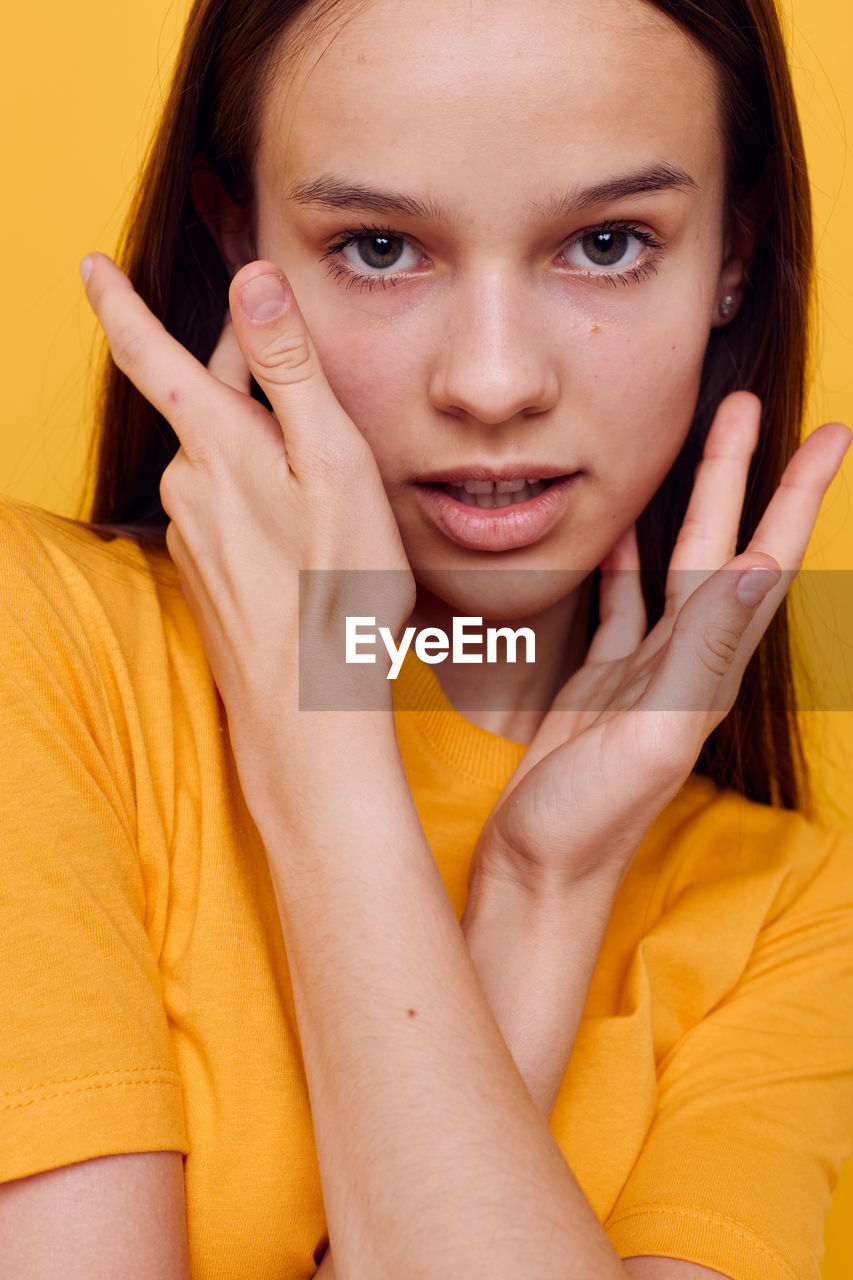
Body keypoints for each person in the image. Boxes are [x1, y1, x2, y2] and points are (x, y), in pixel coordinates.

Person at [1, 0, 852, 1276]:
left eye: (608, 242)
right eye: (382, 247)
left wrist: (539, 889)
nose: (494, 381)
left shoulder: (790, 916)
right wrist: (324, 729)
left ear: (732, 253)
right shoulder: (36, 642)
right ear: (239, 240)